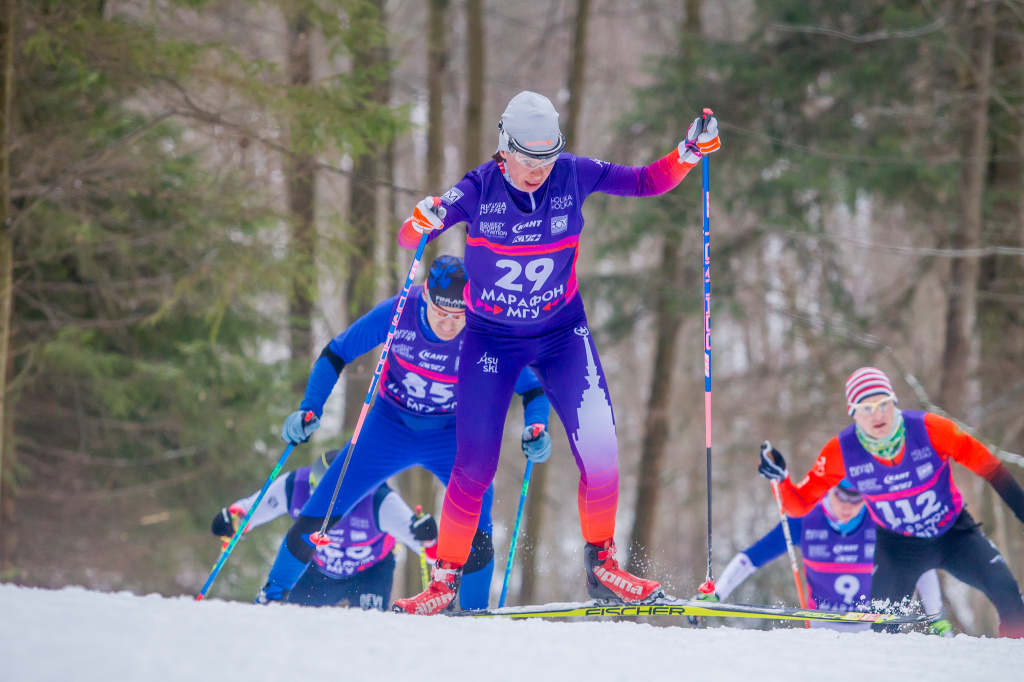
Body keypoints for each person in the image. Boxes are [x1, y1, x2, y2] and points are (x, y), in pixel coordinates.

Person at [392, 91, 721, 615]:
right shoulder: (477, 189)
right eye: (526, 159)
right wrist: (423, 217)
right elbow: (412, 234)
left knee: (601, 448)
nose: (536, 171)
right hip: (491, 340)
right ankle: (444, 582)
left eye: (545, 159)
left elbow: (645, 181)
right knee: (474, 463)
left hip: (561, 332)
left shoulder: (573, 174)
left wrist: (688, 151)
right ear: (505, 148)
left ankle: (602, 565)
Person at [256, 255, 552, 610]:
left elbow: (532, 389)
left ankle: (475, 615)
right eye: (442, 313)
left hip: (450, 434)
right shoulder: (399, 311)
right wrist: (310, 407)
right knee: (323, 506)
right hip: (388, 427)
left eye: (459, 317)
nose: (449, 325)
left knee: (478, 514)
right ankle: (272, 595)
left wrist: (536, 427)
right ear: (425, 296)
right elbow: (336, 352)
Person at [758, 366, 1024, 637]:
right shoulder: (842, 451)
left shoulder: (930, 429)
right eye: (866, 408)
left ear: (894, 402)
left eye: (883, 404)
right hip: (899, 547)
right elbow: (799, 504)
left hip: (954, 534)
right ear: (853, 413)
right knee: (883, 630)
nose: (878, 414)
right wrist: (781, 479)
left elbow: (991, 468)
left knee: (1008, 594)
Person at [701, 480, 951, 634]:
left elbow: (920, 565)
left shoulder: (880, 521)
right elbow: (752, 557)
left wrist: (936, 615)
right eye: (840, 497)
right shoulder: (804, 519)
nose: (847, 506)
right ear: (829, 490)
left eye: (856, 501)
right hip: (821, 631)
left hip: (872, 632)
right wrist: (718, 592)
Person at [212, 450, 438, 609]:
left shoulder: (379, 500)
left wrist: (428, 537)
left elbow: (430, 551)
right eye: (315, 489)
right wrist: (233, 521)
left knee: (368, 628)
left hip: (370, 573)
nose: (320, 501)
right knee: (292, 620)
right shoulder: (294, 486)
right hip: (317, 571)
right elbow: (251, 511)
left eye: (332, 496)